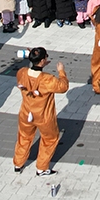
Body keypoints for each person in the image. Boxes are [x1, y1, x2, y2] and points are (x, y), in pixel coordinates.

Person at [12, 47, 69, 176]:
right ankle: (42, 167)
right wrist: (61, 72)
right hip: (43, 116)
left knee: (24, 137)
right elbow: (63, 87)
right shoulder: (47, 79)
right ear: (43, 61)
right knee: (50, 139)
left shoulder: (22, 72)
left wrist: (36, 57)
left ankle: (18, 163)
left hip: (26, 113)